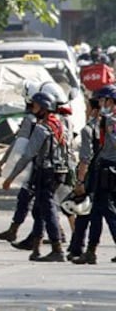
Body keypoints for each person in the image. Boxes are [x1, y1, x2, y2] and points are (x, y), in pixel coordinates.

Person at [3, 91, 67, 262]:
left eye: (36, 106)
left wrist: (11, 177)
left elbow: (27, 155)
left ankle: (57, 249)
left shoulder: (41, 128)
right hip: (57, 172)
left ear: (44, 108)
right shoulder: (59, 125)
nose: (33, 108)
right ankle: (36, 249)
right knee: (39, 210)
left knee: (47, 209)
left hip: (45, 173)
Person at [0, 80, 41, 244]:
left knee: (34, 202)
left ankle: (56, 237)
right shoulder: (43, 120)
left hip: (35, 166)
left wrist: (9, 170)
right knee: (33, 201)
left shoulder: (31, 120)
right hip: (38, 166)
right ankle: (14, 230)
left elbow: (20, 144)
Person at [74, 85, 116, 264]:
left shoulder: (110, 122)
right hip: (104, 170)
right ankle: (90, 251)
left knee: (107, 211)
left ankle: (90, 250)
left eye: (102, 100)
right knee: (97, 212)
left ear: (110, 101)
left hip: (108, 170)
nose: (100, 104)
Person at [67, 94, 101, 261]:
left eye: (87, 108)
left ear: (94, 110)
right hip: (105, 175)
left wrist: (79, 181)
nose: (86, 111)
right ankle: (78, 248)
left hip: (93, 177)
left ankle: (79, 249)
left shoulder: (88, 130)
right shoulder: (109, 128)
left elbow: (85, 158)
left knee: (86, 211)